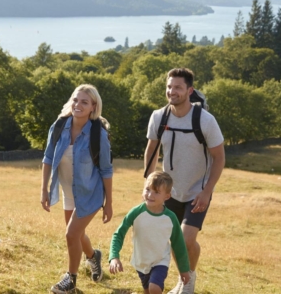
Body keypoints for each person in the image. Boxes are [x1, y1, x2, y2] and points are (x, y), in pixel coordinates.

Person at [143, 68, 225, 294]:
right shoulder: (159, 117)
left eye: (178, 87)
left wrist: (207, 191)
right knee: (175, 241)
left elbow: (219, 157)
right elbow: (151, 150)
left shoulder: (205, 121)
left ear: (189, 90)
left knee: (186, 239)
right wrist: (150, 186)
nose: (172, 91)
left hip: (198, 191)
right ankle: (183, 279)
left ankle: (188, 283)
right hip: (169, 192)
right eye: (169, 87)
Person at [40, 84, 114, 293]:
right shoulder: (58, 126)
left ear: (93, 107)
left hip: (90, 193)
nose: (78, 105)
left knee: (71, 234)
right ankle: (93, 256)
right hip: (68, 191)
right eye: (75, 100)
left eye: (84, 102)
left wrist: (108, 203)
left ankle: (70, 280)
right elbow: (47, 158)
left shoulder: (98, 134)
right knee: (78, 235)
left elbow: (106, 170)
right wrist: (43, 189)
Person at [109, 171, 191, 294]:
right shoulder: (136, 212)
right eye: (147, 189)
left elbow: (178, 244)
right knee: (147, 291)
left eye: (156, 192)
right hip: (141, 262)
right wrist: (114, 256)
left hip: (160, 261)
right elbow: (119, 234)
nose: (150, 195)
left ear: (167, 196)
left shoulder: (171, 218)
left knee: (154, 288)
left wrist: (184, 269)